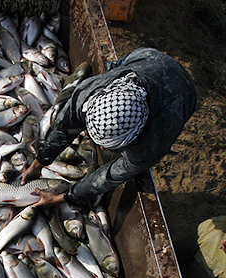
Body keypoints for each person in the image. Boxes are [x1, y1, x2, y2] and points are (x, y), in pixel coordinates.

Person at [21, 47, 197, 208]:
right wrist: (39, 162)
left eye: (112, 145)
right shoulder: (88, 93)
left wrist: (63, 198)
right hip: (149, 58)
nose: (102, 148)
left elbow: (107, 177)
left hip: (182, 91)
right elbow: (65, 127)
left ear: (135, 136)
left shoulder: (150, 145)